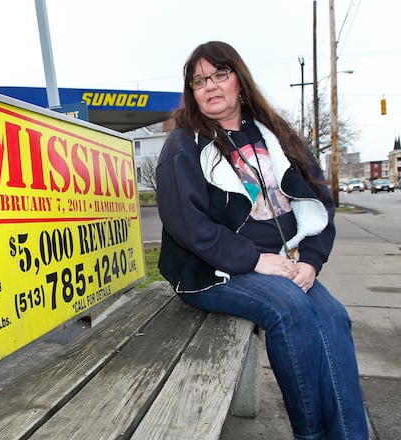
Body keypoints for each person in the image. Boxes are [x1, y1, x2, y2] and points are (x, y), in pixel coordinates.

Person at [155, 41, 369, 439]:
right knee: (289, 309)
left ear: (239, 80)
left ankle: (349, 434)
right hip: (211, 270)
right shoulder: (184, 145)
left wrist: (311, 261)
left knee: (333, 316)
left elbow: (319, 201)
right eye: (199, 80)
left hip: (283, 262)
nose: (211, 86)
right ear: (192, 92)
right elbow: (187, 225)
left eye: (220, 74)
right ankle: (312, 434)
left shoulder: (275, 135)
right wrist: (254, 260)